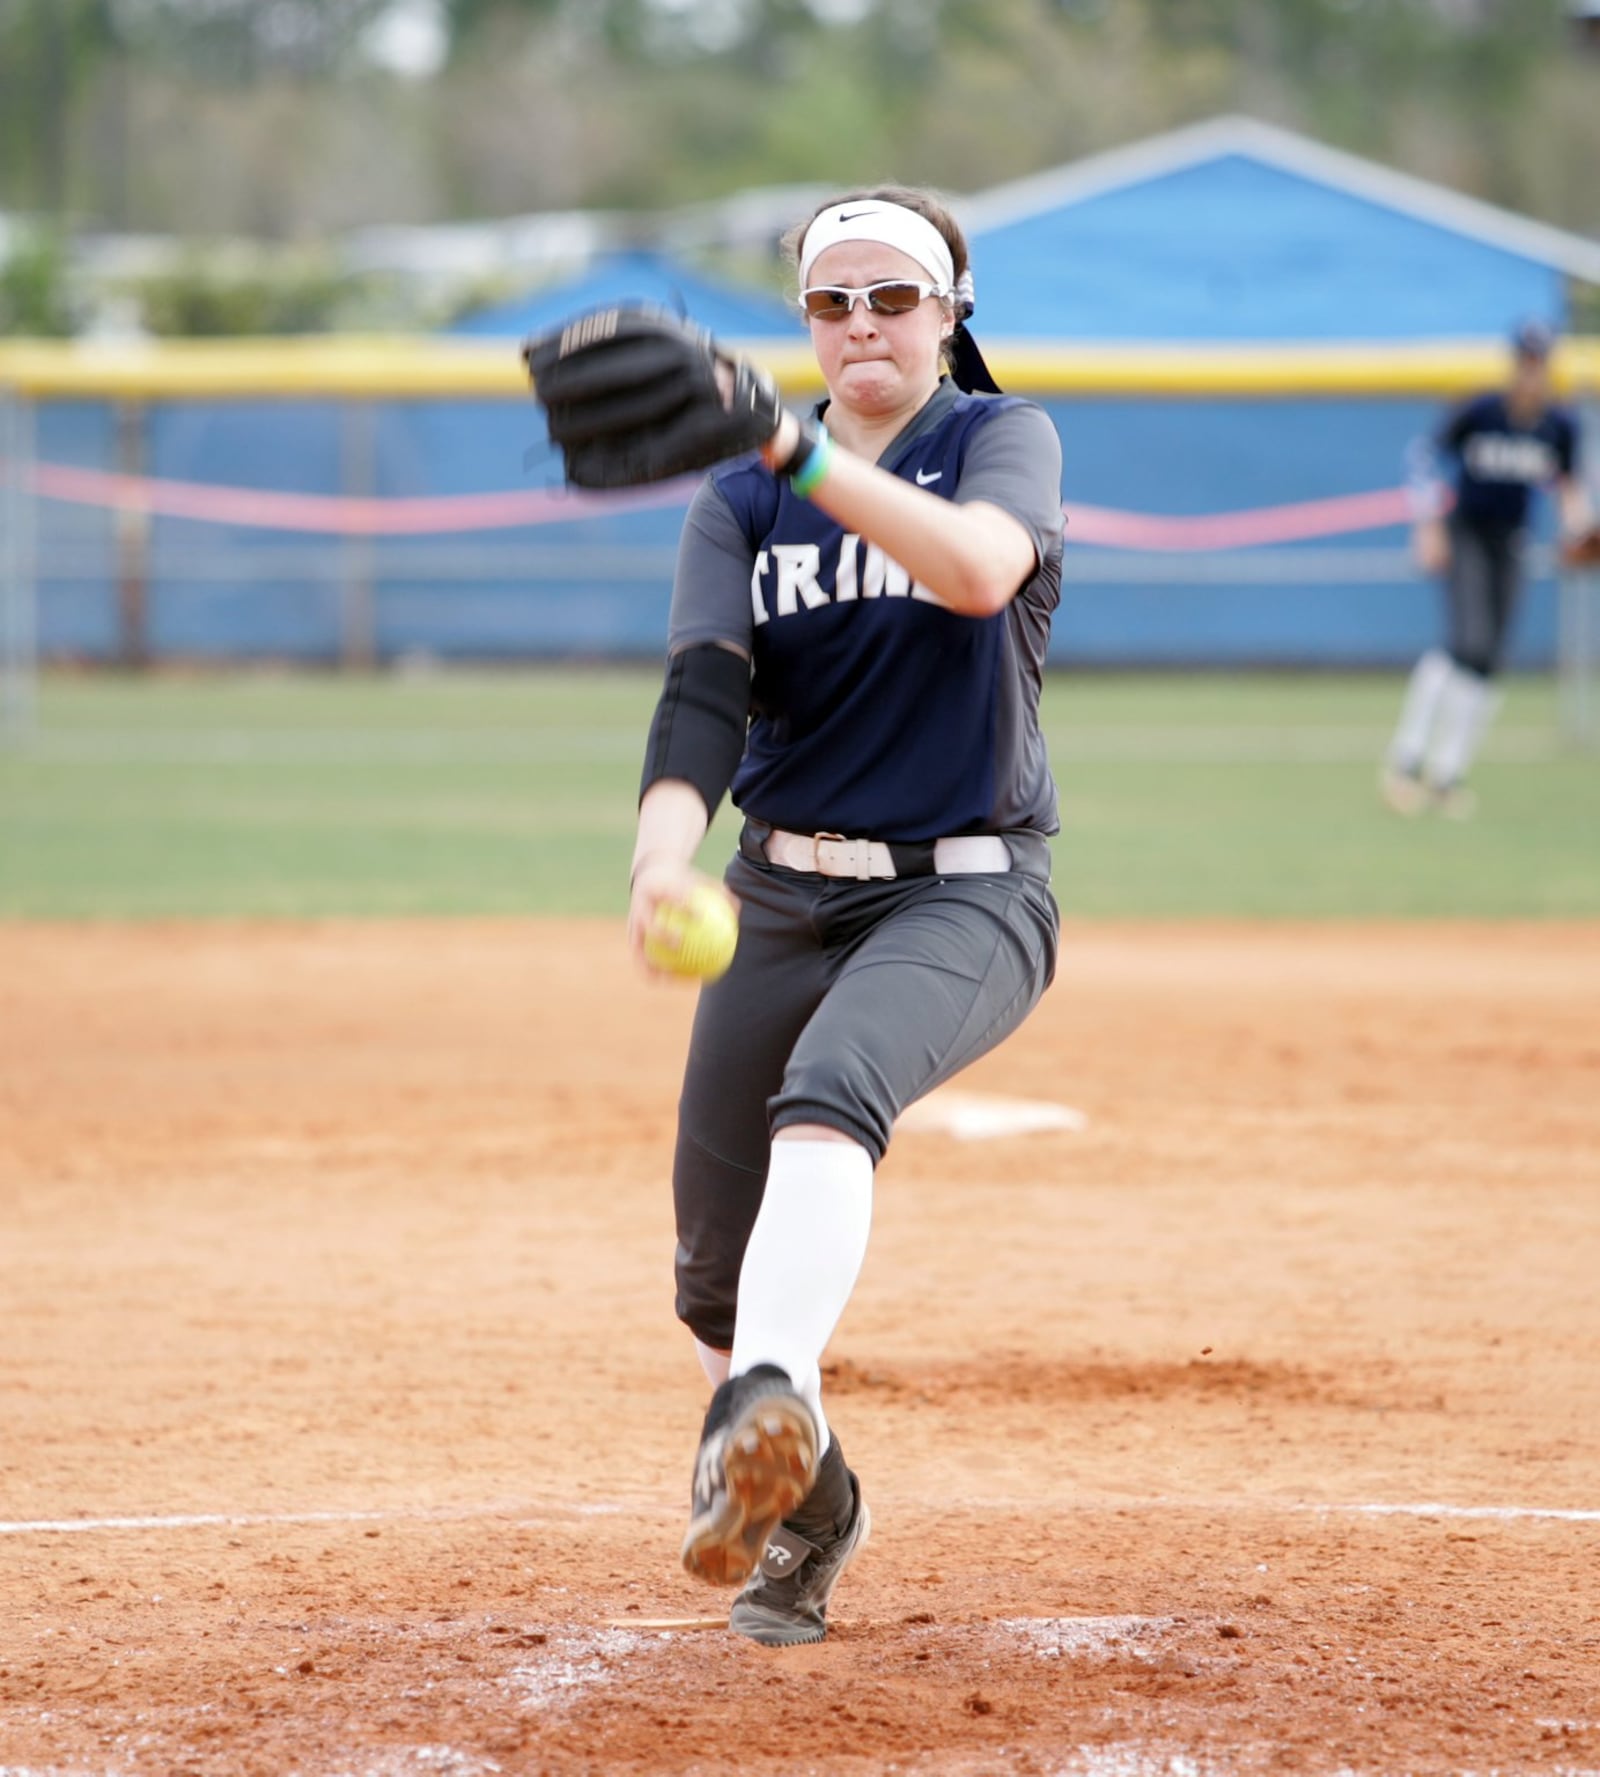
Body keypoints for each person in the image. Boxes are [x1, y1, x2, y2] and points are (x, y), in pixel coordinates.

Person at [625, 187, 1065, 1646]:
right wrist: (662, 856)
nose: (862, 323)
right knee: (708, 1283)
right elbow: (702, 695)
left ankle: (766, 1402)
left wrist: (794, 448)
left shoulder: (999, 442)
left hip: (965, 889)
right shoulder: (738, 498)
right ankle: (809, 1504)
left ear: (952, 311)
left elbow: (975, 569)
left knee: (830, 1096)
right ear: (804, 321)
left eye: (892, 296)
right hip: (775, 893)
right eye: (832, 302)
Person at [1381, 320, 1591, 819]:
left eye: (1540, 363)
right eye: (1526, 362)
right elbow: (1423, 457)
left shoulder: (1559, 426)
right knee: (1466, 644)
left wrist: (1578, 529)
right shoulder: (1482, 411)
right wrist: (1427, 526)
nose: (1532, 373)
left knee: (1490, 660)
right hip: (1466, 534)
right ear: (1514, 364)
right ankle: (1406, 759)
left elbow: (1568, 487)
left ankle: (1448, 774)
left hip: (1511, 543)